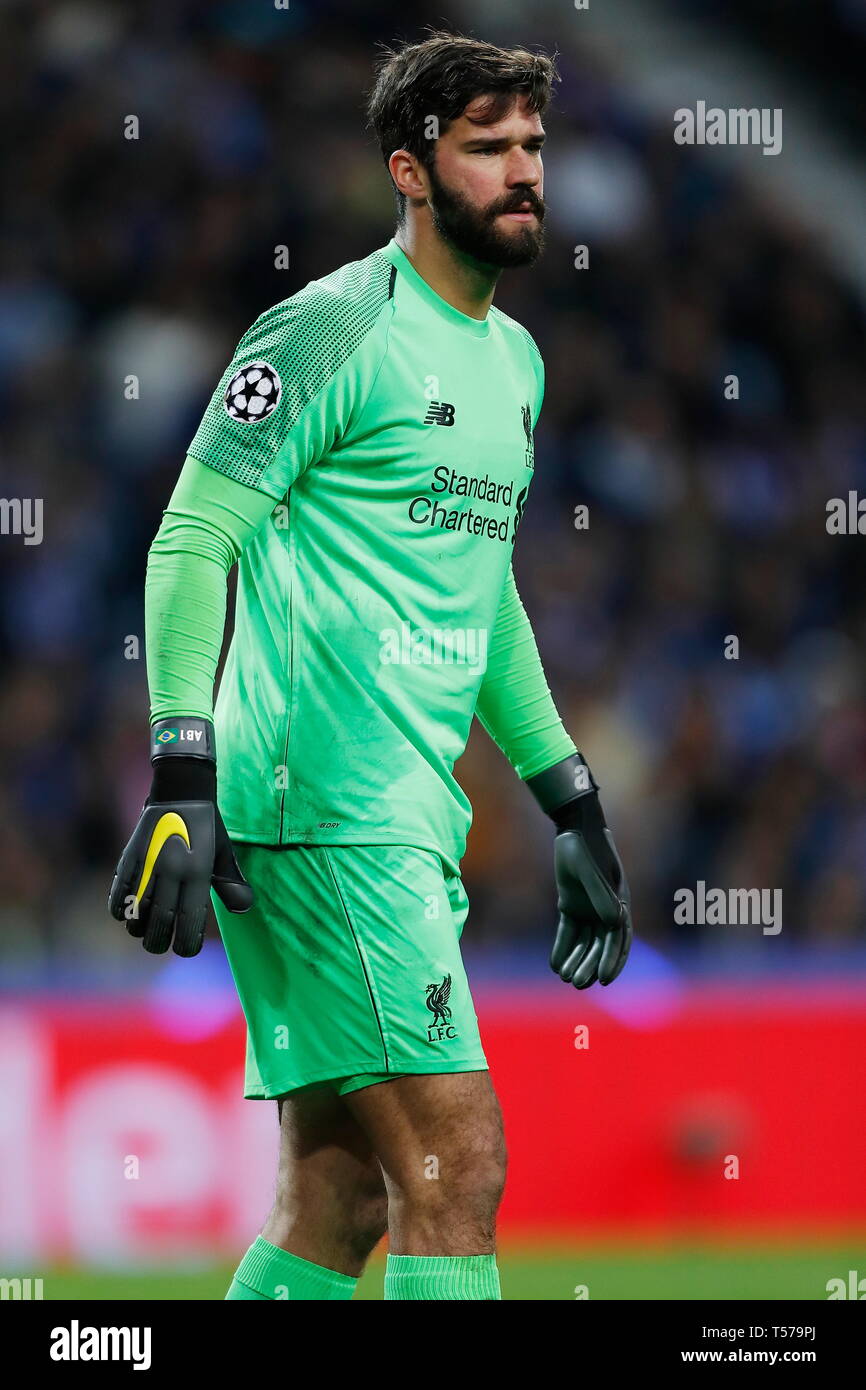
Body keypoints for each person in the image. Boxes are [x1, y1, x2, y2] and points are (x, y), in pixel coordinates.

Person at [109, 30, 632, 1302]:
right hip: (319, 804)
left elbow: (483, 593)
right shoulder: (333, 327)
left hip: (400, 814)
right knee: (457, 1164)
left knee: (337, 1194)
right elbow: (192, 538)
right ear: (410, 170)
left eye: (532, 146)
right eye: (486, 147)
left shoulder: (512, 363)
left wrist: (567, 795)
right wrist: (184, 761)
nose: (523, 173)